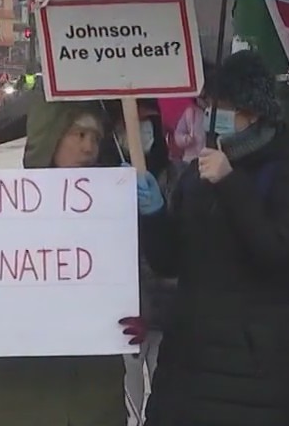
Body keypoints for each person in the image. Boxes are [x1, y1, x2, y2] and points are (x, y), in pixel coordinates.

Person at [136, 51, 289, 426]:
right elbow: (169, 261)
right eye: (207, 106)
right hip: (189, 367)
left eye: (222, 107)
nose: (209, 116)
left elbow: (276, 248)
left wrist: (231, 183)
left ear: (252, 112)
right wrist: (153, 214)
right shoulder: (196, 172)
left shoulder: (285, 168)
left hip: (254, 374)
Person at [0, 100, 141, 426]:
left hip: (90, 400)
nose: (89, 147)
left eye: (96, 138)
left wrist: (135, 315)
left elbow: (131, 282)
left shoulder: (112, 212)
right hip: (12, 400)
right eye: (79, 134)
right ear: (51, 136)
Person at [106, 99, 180, 424]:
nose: (139, 133)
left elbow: (181, 250)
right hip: (121, 319)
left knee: (168, 403)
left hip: (168, 315)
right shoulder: (102, 181)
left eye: (146, 125)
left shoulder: (178, 178)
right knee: (125, 406)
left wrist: (157, 213)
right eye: (130, 127)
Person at [172, 98, 206, 163]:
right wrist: (186, 139)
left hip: (212, 159)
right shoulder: (190, 112)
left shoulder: (219, 112)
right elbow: (178, 134)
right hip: (191, 159)